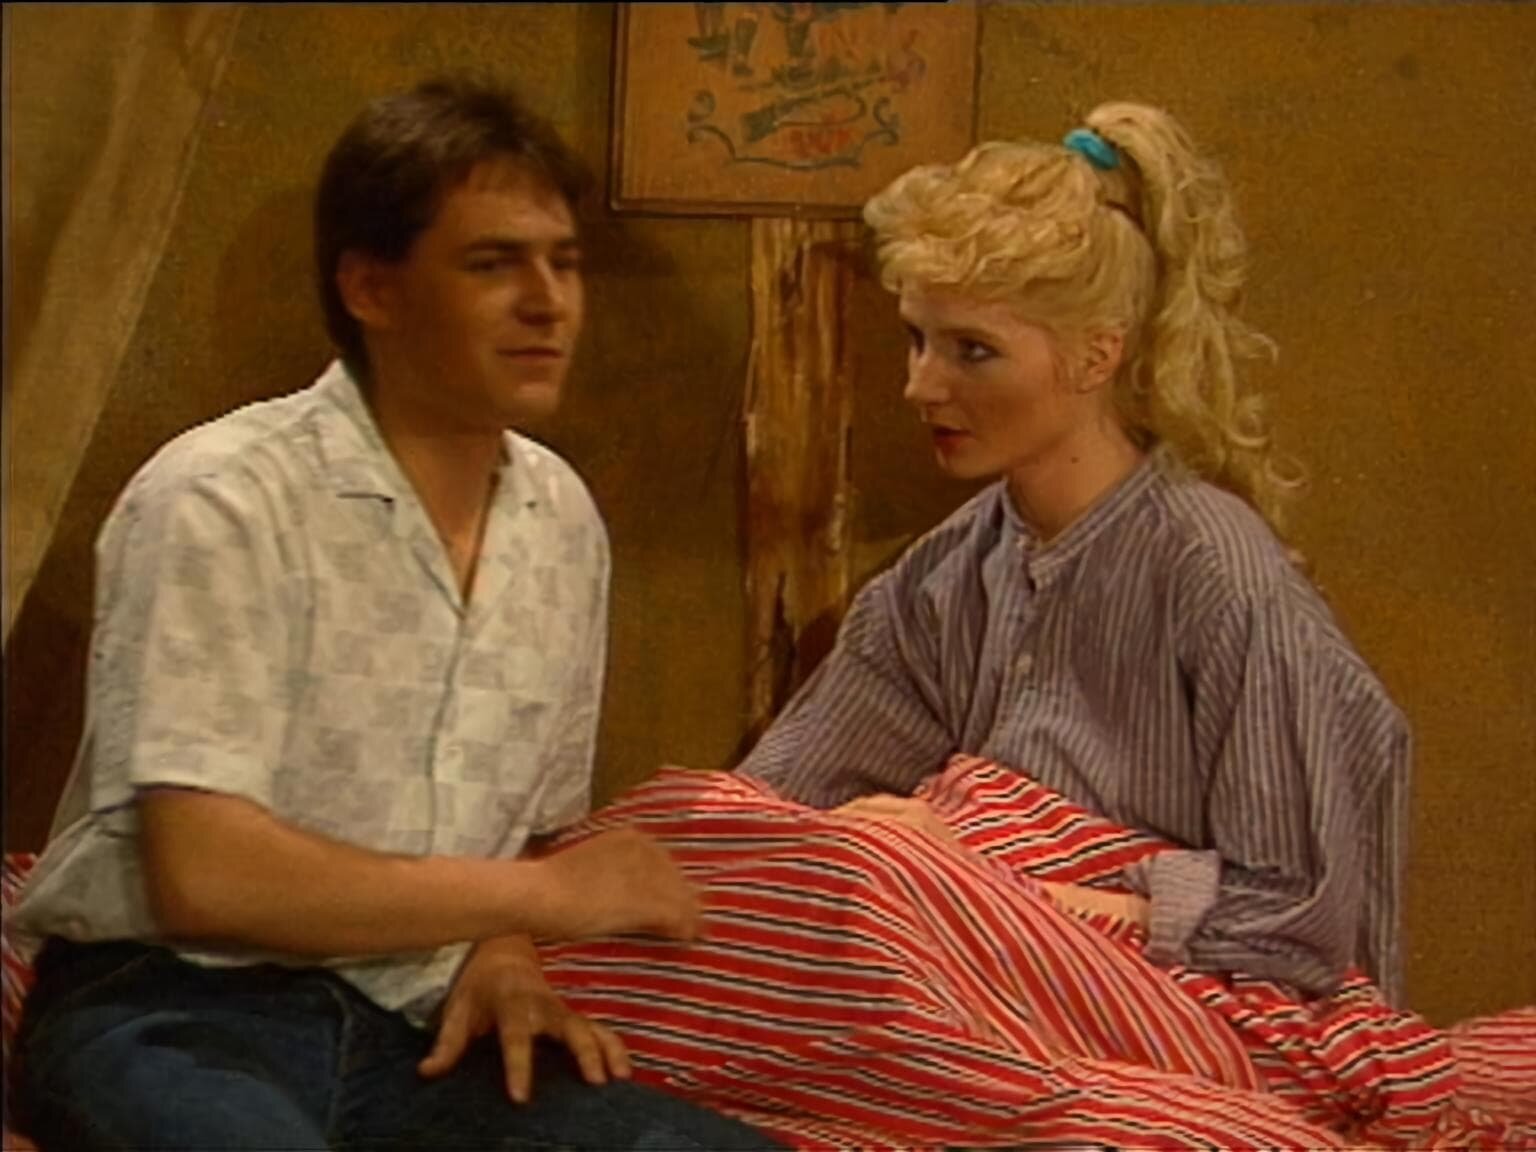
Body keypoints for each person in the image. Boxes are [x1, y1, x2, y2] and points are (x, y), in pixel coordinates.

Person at [11, 77, 779, 1151]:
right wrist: (548, 899)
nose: (548, 303)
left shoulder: (560, 518)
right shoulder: (223, 495)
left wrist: (504, 956)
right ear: (372, 287)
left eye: (563, 263)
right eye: (492, 264)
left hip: (412, 1026)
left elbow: (513, 829)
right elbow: (204, 877)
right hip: (173, 1006)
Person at [738, 102, 1411, 1006]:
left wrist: (975, 883)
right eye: (917, 340)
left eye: (973, 351)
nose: (920, 386)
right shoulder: (944, 578)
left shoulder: (1215, 571)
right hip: (1012, 1002)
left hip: (1221, 1017)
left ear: (1098, 355)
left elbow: (1297, 924)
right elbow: (780, 804)